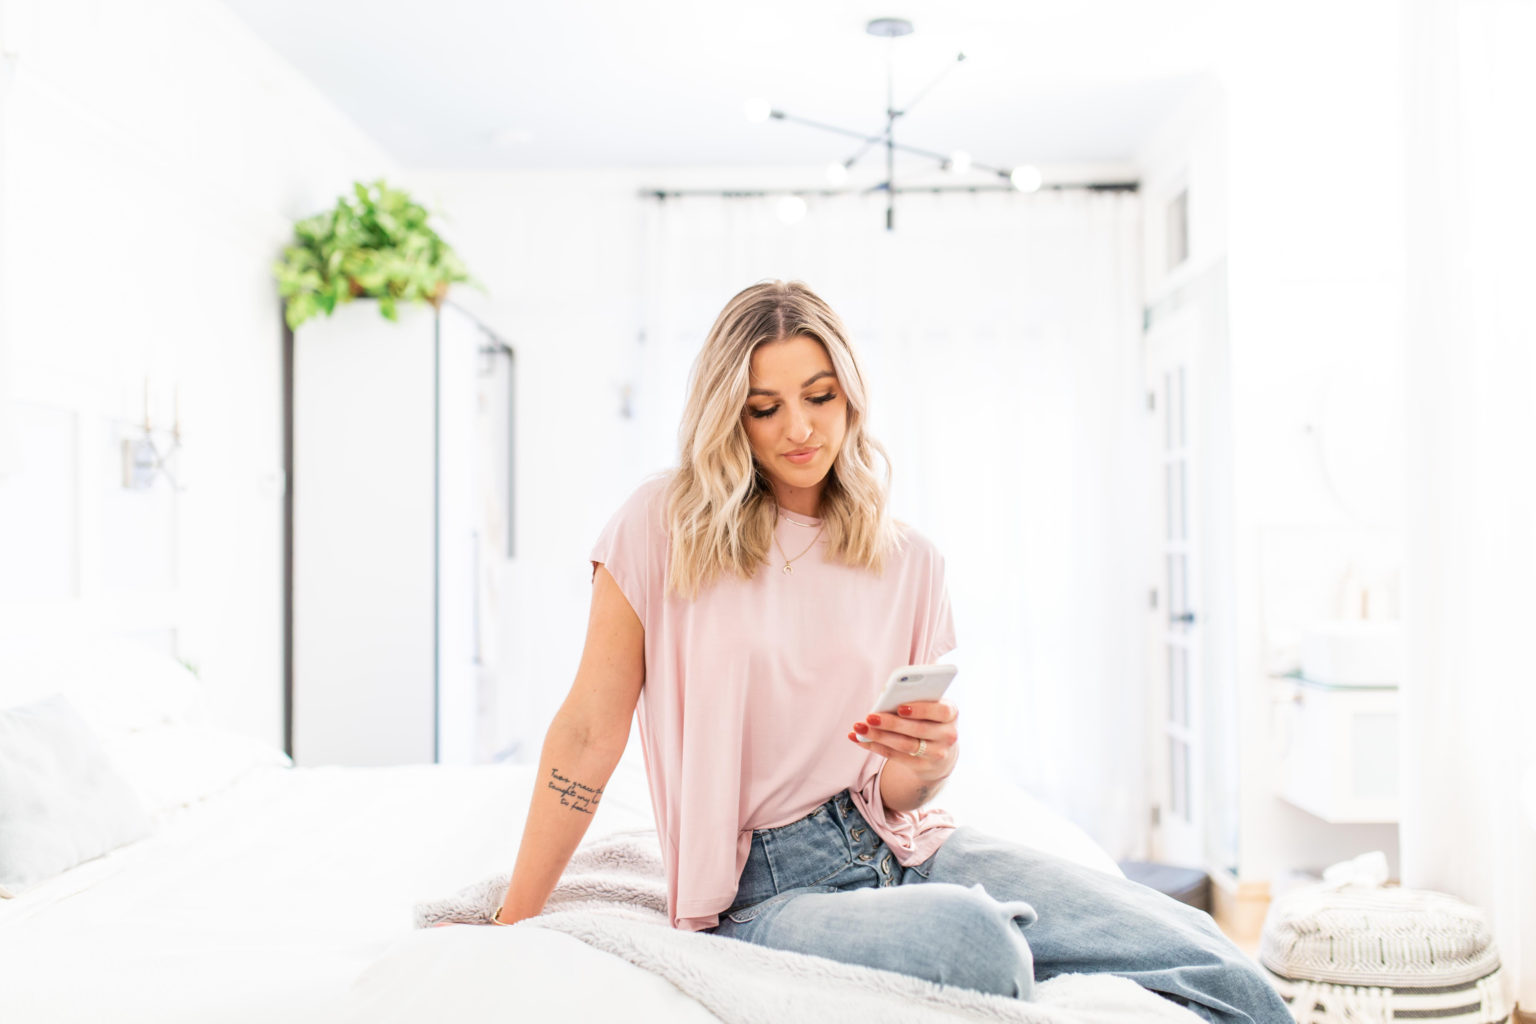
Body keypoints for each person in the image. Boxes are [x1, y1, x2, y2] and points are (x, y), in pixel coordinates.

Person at [492, 280, 1290, 1022]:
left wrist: (929, 761)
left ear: (850, 395)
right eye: (764, 408)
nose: (799, 429)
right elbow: (589, 732)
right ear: (728, 415)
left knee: (1205, 951)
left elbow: (897, 790)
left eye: (819, 396)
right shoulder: (662, 526)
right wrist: (514, 918)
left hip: (903, 843)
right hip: (765, 890)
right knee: (980, 945)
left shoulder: (907, 560)